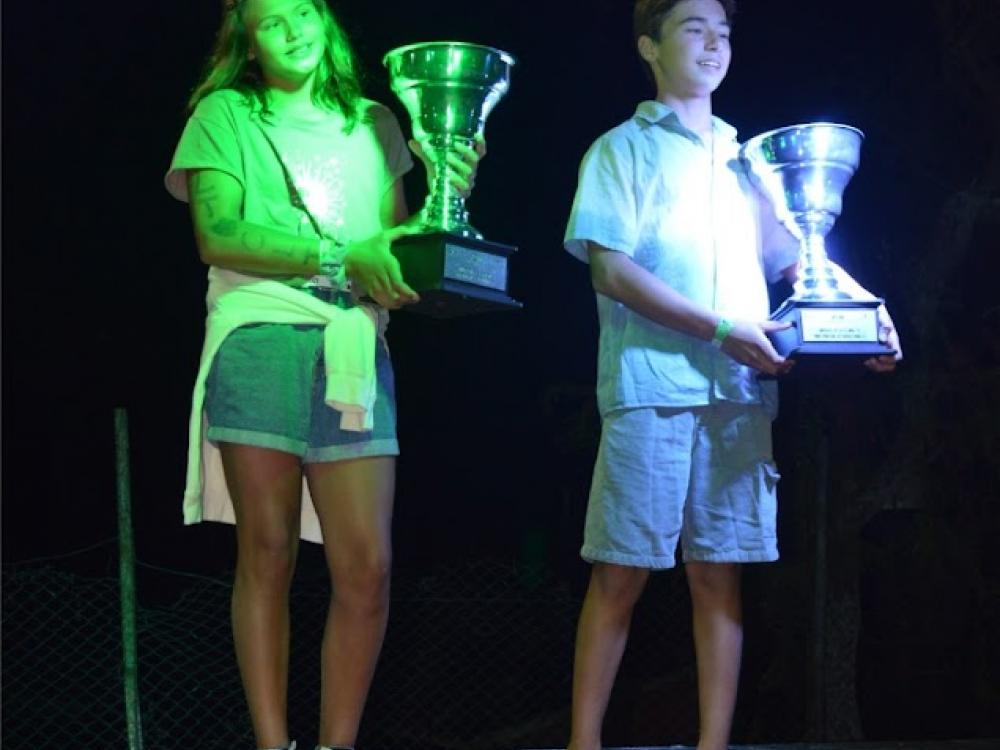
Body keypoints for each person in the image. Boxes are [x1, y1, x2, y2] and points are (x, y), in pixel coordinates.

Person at [562, 2, 901, 749]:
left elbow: (800, 259)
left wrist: (871, 311)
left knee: (720, 576)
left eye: (724, 31)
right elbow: (610, 270)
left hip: (740, 397)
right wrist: (721, 329)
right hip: (650, 391)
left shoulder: (752, 162)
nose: (714, 43)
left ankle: (713, 744)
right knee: (620, 572)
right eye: (693, 27)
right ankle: (582, 743)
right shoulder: (620, 150)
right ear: (649, 46)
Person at [164, 2, 482, 749]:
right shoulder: (225, 112)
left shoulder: (376, 122)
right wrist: (340, 256)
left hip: (355, 343)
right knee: (266, 550)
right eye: (272, 21)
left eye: (303, 10)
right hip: (260, 331)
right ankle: (273, 745)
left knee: (368, 565)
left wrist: (451, 191)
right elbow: (217, 233)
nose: (293, 30)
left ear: (326, 20)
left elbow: (393, 255)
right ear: (248, 41)